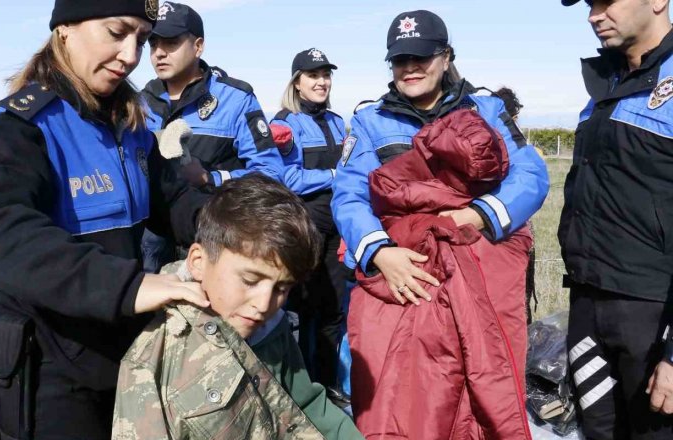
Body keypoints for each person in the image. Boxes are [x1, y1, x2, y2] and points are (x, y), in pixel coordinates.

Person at [0, 0, 214, 437]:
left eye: (141, 38)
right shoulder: (22, 127)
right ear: (65, 29)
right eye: (116, 32)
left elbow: (173, 200)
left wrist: (236, 232)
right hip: (49, 364)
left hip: (121, 349)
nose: (132, 55)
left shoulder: (129, 127)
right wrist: (129, 287)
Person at [331, 9, 548, 437]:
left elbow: (530, 175)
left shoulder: (488, 109)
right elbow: (350, 193)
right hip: (408, 270)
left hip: (481, 265)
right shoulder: (370, 121)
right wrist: (381, 252)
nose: (410, 68)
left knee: (484, 382)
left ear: (446, 57)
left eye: (421, 57)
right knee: (407, 388)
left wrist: (478, 215)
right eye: (399, 60)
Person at [113, 174, 364, 440]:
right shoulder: (154, 362)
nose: (264, 304)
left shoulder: (272, 325)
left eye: (282, 288)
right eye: (250, 280)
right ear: (198, 261)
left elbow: (307, 405)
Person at [560, 0, 673, 438]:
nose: (595, 14)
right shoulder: (606, 82)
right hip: (588, 307)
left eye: (609, 1)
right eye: (590, 4)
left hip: (652, 316)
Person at [139, 1, 286, 273]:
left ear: (198, 46)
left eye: (170, 42)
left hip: (213, 245)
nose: (159, 53)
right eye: (153, 43)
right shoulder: (139, 102)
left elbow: (272, 174)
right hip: (150, 252)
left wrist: (211, 179)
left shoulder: (236, 99)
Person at [267, 49, 347, 389]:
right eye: (313, 75)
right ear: (297, 82)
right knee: (302, 312)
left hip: (336, 227)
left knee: (333, 310)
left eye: (326, 75)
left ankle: (328, 387)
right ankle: (300, 389)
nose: (322, 81)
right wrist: (335, 174)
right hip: (305, 226)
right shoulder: (284, 123)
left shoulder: (337, 121)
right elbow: (287, 178)